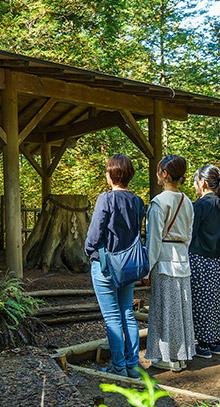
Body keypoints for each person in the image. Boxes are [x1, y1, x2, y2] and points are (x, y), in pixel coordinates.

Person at [84, 154, 144, 379]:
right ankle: (133, 365)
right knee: (127, 312)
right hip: (128, 265)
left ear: (111, 175)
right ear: (129, 175)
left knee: (112, 317)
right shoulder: (138, 202)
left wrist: (91, 253)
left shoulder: (105, 200)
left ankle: (119, 366)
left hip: (106, 264)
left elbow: (94, 234)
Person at [144, 155, 195, 371]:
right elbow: (190, 234)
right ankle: (181, 356)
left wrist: (147, 269)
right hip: (182, 260)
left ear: (164, 174)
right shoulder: (188, 201)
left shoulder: (159, 202)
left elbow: (153, 239)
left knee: (164, 310)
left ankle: (167, 358)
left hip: (164, 261)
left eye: (159, 170)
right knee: (181, 310)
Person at [189, 165, 220, 358]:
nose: (194, 185)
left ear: (203, 183)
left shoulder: (200, 205)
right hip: (216, 261)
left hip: (199, 258)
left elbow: (190, 232)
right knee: (213, 302)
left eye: (196, 181)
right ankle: (216, 343)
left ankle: (203, 345)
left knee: (199, 302)